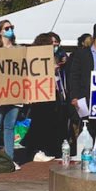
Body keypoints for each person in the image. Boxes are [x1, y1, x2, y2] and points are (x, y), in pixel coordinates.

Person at [23, 32, 69, 162]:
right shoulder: (38, 56)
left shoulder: (57, 57)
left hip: (53, 94)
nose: (56, 45)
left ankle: (43, 148)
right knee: (39, 122)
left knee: (48, 123)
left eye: (57, 43)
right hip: (40, 95)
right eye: (53, 42)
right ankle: (34, 149)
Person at [0, 20, 23, 172]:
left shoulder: (19, 49)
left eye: (12, 27)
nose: (10, 30)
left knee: (10, 126)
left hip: (15, 93)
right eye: (7, 28)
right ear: (0, 31)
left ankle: (9, 158)